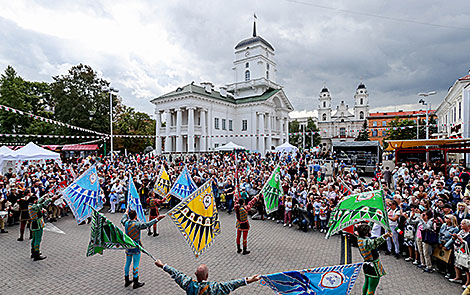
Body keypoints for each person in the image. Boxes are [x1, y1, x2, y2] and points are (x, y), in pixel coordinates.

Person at [154, 259, 260, 294]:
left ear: (195, 274)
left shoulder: (188, 284)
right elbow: (234, 284)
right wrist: (250, 279)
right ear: (207, 275)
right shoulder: (215, 288)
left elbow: (176, 274)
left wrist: (162, 265)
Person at [121, 208, 166, 289]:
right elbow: (147, 225)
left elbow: (122, 219)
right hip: (135, 247)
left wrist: (125, 212)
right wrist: (157, 219)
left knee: (127, 263)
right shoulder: (137, 224)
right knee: (135, 264)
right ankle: (135, 282)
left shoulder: (126, 223)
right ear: (135, 216)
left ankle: (126, 280)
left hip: (128, 246)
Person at [356, 223, 392, 295]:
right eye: (369, 231)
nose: (371, 232)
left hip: (366, 265)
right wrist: (386, 235)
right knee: (371, 289)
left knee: (366, 284)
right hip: (373, 267)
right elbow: (376, 242)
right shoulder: (367, 242)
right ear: (366, 233)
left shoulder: (360, 239)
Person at [28, 194, 59, 261]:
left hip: (33, 223)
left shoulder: (30, 205)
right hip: (37, 224)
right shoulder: (34, 206)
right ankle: (37, 254)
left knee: (34, 239)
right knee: (38, 239)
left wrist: (43, 197)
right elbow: (42, 205)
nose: (37, 201)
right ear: (34, 201)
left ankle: (33, 252)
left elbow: (39, 202)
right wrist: (51, 199)